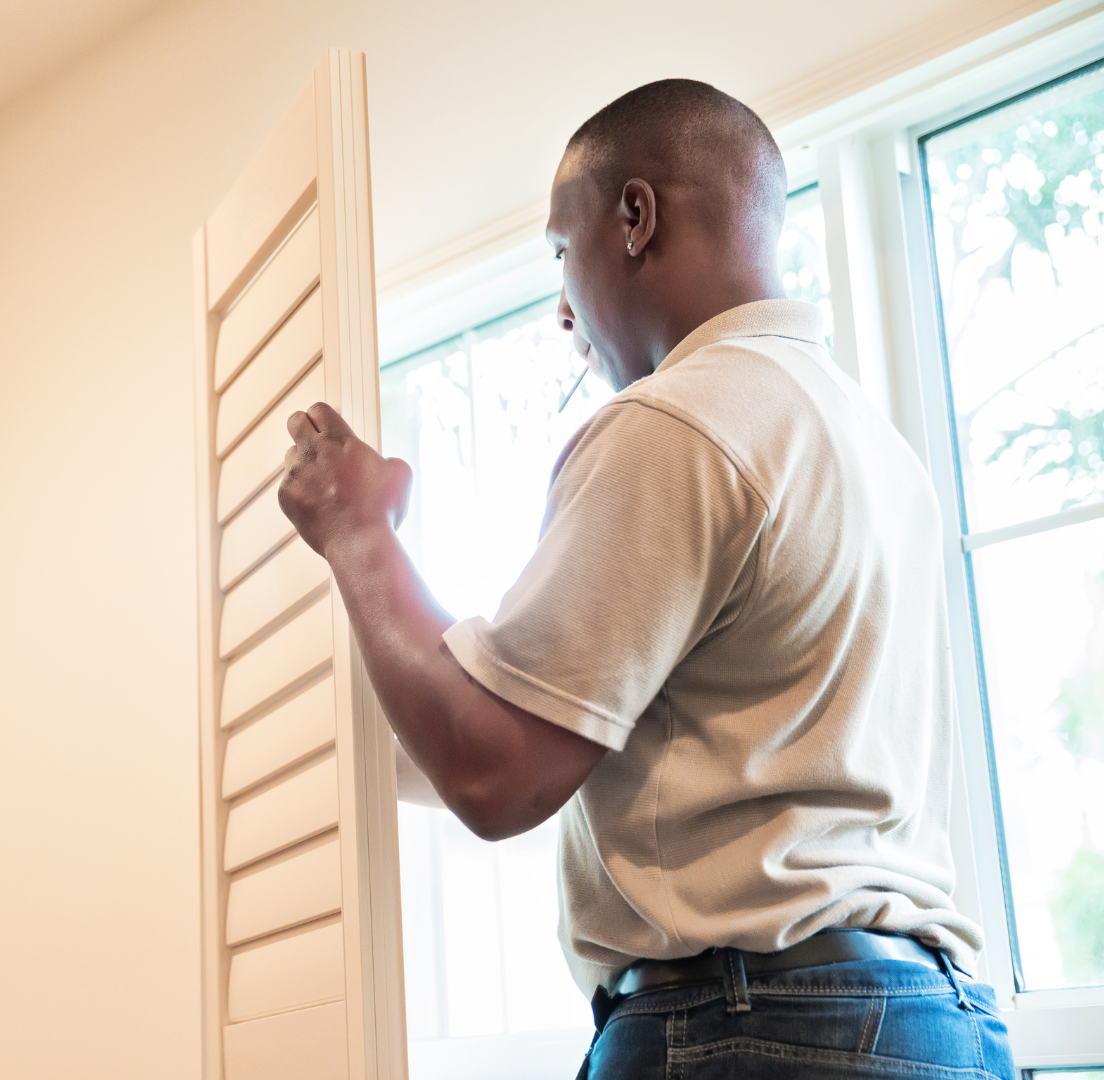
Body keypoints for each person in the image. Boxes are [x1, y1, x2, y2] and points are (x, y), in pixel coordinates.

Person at [277, 79, 1015, 1077]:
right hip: (934, 1022)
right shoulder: (865, 443)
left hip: (758, 1029)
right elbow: (541, 723)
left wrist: (360, 532)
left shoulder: (677, 421)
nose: (564, 312)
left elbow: (498, 772)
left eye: (559, 250)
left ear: (634, 216)